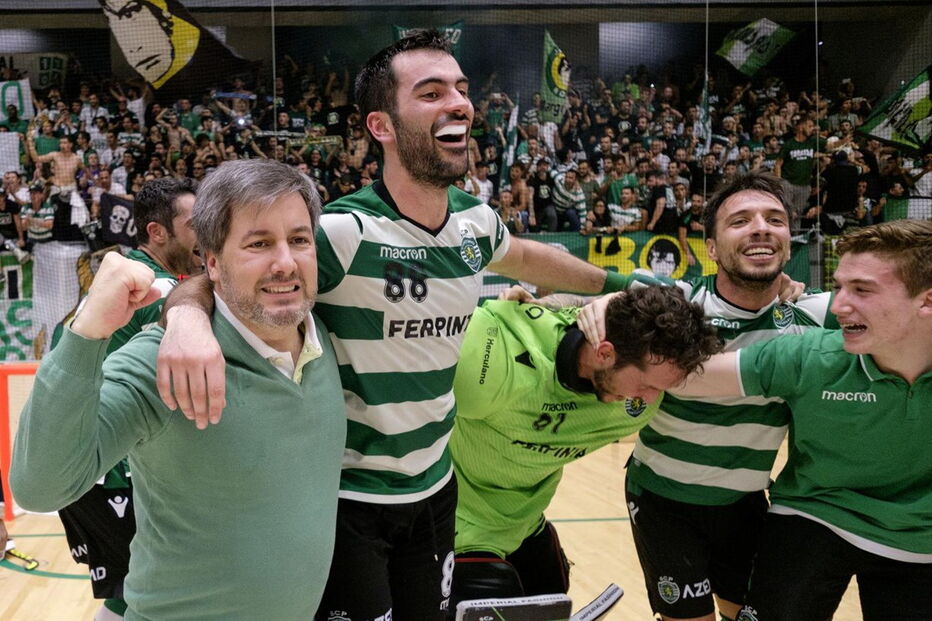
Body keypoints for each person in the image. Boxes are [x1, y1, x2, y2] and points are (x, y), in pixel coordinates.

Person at [154, 31, 628, 621]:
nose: (458, 103)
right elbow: (223, 276)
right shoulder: (346, 234)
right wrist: (185, 321)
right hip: (349, 501)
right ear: (381, 125)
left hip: (435, 492)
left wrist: (619, 286)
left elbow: (528, 258)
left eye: (460, 89)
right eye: (430, 93)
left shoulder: (475, 224)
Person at [11, 159, 346, 620]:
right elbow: (39, 487)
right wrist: (87, 331)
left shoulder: (323, 336)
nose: (285, 261)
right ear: (212, 262)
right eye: (259, 243)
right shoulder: (166, 361)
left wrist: (187, 305)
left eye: (299, 239)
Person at [579, 170, 835, 621]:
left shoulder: (815, 313)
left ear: (788, 242)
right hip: (663, 501)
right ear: (711, 249)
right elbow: (582, 291)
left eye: (774, 219)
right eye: (740, 221)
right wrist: (573, 302)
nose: (760, 227)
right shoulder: (677, 303)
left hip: (745, 504)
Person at [671, 220, 932, 621]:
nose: (839, 304)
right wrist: (608, 317)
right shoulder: (810, 356)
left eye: (861, 290)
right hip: (814, 513)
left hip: (920, 536)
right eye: (839, 286)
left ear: (926, 301)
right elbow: (683, 377)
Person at [449, 286, 721, 608]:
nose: (649, 399)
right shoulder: (491, 361)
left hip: (526, 527)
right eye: (646, 384)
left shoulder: (634, 406)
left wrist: (597, 299)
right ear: (604, 353)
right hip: (458, 531)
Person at [52, 178, 199, 621]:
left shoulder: (134, 279)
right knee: (159, 591)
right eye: (195, 224)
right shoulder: (155, 289)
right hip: (112, 471)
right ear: (158, 233)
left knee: (133, 592)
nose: (207, 231)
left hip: (94, 467)